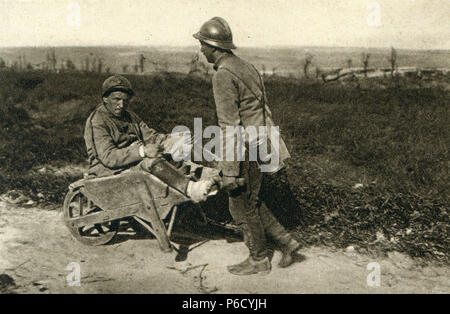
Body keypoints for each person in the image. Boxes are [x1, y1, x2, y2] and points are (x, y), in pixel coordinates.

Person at [193, 17, 301, 275]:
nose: (200, 50)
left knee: (239, 204)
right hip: (264, 142)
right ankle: (287, 242)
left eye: (202, 45)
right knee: (253, 199)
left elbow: (230, 126)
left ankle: (259, 259)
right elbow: (261, 109)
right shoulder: (246, 66)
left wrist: (229, 170)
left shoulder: (222, 75)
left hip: (248, 146)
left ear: (214, 46)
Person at [84, 75, 214, 203]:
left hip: (130, 164)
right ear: (105, 99)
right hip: (108, 171)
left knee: (176, 152)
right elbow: (108, 157)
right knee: (152, 163)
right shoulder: (97, 121)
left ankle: (207, 177)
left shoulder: (130, 116)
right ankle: (190, 189)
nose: (121, 105)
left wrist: (172, 140)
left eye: (126, 100)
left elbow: (151, 137)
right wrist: (142, 151)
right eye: (116, 99)